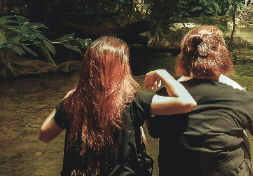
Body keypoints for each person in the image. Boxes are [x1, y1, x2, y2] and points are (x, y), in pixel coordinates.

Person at [38, 36, 196, 176]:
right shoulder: (133, 100)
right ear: (123, 67)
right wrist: (163, 73)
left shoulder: (72, 102)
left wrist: (67, 98)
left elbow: (44, 136)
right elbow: (187, 102)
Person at [151, 25, 253, 176]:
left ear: (184, 58)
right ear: (223, 57)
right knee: (241, 133)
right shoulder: (242, 98)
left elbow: (154, 131)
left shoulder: (164, 95)